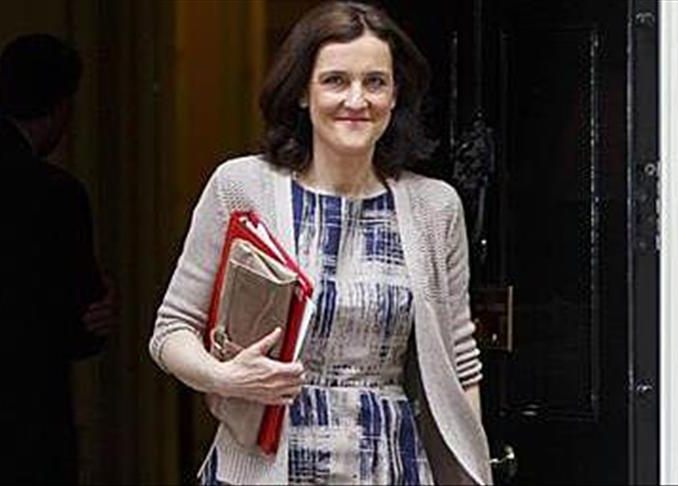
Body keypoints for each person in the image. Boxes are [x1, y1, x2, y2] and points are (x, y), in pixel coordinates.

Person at [149, 2, 491, 484]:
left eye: (375, 82)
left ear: (395, 95)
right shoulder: (242, 188)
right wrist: (226, 378)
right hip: (266, 465)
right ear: (302, 93)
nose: (357, 99)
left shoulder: (435, 207)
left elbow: (460, 362)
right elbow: (171, 330)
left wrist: (472, 472)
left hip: (391, 465)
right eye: (335, 81)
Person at [0, 33, 117, 484]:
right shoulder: (56, 193)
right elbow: (82, 329)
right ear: (61, 106)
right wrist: (99, 311)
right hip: (28, 419)